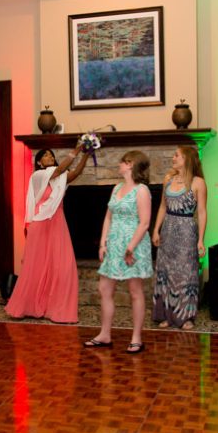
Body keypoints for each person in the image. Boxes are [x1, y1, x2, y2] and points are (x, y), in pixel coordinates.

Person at [6, 144, 89, 323]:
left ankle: (57, 309)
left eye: (51, 155)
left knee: (63, 266)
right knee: (35, 267)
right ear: (39, 162)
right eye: (46, 155)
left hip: (57, 224)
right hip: (40, 224)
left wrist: (86, 154)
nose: (50, 157)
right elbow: (60, 169)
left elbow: (76, 173)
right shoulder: (38, 176)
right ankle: (28, 307)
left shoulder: (59, 178)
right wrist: (76, 150)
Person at [84, 150, 152, 354]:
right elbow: (108, 217)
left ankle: (136, 338)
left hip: (134, 245)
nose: (119, 164)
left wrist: (130, 247)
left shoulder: (142, 190)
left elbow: (144, 222)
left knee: (135, 291)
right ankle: (104, 334)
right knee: (104, 289)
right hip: (114, 244)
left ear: (131, 164)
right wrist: (103, 243)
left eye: (122, 161)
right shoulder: (116, 188)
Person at [152, 146, 208, 330]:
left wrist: (201, 240)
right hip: (167, 230)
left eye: (177, 155)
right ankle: (167, 315)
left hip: (186, 232)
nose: (173, 158)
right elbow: (162, 206)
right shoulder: (168, 179)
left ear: (187, 159)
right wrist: (156, 230)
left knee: (185, 274)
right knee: (166, 272)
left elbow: (202, 212)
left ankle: (186, 317)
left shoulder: (198, 182)